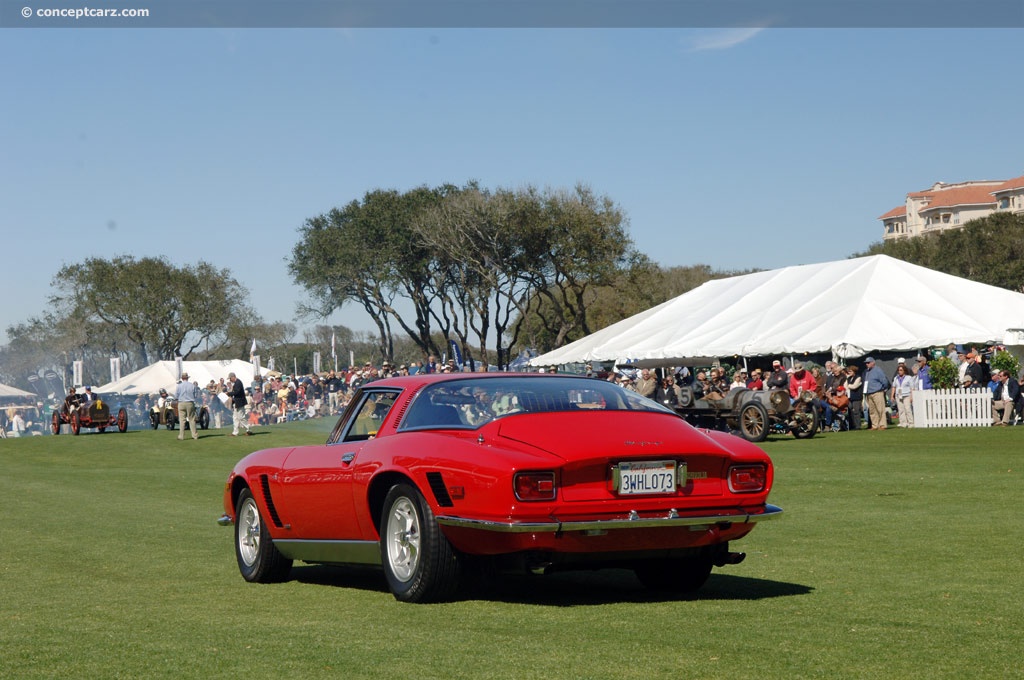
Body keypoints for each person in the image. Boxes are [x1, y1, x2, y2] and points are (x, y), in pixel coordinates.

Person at [863, 357, 890, 430]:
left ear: (873, 363)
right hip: (869, 393)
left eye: (868, 363)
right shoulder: (866, 371)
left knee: (880, 409)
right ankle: (875, 425)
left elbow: (884, 381)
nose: (867, 364)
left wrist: (884, 389)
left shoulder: (878, 370)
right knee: (872, 411)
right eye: (866, 363)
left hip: (877, 392)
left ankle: (882, 425)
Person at [175, 371, 202, 440]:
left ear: (182, 378)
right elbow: (195, 395)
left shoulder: (179, 386)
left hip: (181, 403)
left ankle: (181, 436)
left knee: (182, 420)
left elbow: (176, 396)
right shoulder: (192, 385)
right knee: (192, 419)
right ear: (187, 378)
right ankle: (195, 435)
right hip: (190, 402)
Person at [227, 372, 252, 436]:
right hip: (237, 402)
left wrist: (229, 393)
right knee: (235, 418)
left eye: (230, 378)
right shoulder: (236, 383)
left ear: (233, 377)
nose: (230, 380)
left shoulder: (238, 382)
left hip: (240, 402)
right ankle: (235, 432)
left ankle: (249, 430)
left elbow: (237, 392)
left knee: (241, 417)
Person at [891, 363, 915, 428]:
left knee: (908, 409)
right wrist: (892, 396)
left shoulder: (909, 378)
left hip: (906, 395)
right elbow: (894, 387)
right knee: (901, 410)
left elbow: (912, 388)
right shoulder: (896, 378)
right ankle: (903, 423)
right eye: (899, 370)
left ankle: (911, 422)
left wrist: (911, 396)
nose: (900, 371)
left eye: (901, 370)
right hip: (898, 395)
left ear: (904, 371)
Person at [844, 365, 864, 430]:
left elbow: (854, 386)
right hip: (850, 397)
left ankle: (858, 426)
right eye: (848, 371)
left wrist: (849, 385)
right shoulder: (849, 378)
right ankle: (852, 425)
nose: (849, 372)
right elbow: (845, 386)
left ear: (854, 371)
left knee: (856, 412)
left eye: (850, 371)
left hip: (857, 397)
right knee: (850, 412)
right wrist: (849, 386)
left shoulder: (858, 377)